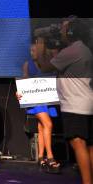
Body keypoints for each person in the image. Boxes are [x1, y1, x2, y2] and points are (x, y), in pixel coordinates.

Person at [39, 18, 93, 184]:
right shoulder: (83, 49)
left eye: (64, 30)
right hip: (86, 103)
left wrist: (40, 44)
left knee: (78, 143)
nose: (61, 32)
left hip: (75, 105)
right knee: (89, 145)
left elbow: (44, 66)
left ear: (71, 33)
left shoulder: (73, 50)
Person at [16, 39, 60, 173]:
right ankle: (50, 157)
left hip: (48, 99)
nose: (32, 53)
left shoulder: (50, 62)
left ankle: (41, 157)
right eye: (30, 51)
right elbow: (23, 81)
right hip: (35, 100)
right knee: (48, 124)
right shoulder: (27, 64)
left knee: (42, 127)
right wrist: (19, 91)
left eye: (34, 50)